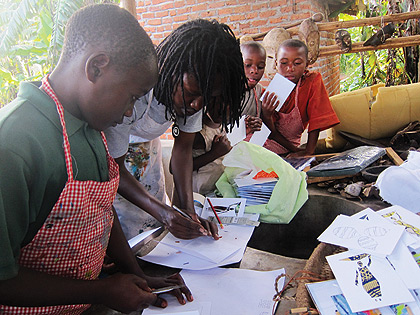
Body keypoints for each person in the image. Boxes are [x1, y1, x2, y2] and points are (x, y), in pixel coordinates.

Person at [0, 4, 192, 313]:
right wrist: (102, 289)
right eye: (131, 97)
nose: (130, 112)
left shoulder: (92, 128)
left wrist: (136, 274)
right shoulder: (15, 144)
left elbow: (101, 212)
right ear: (96, 68)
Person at [104, 19, 247, 240]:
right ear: (172, 71)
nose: (198, 105)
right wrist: (164, 213)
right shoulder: (137, 88)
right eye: (192, 93)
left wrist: (187, 210)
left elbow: (183, 150)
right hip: (111, 164)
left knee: (151, 232)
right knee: (121, 235)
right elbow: (114, 170)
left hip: (146, 156)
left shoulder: (196, 91)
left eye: (208, 97)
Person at [261, 39, 340, 156]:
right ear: (276, 64)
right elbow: (270, 133)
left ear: (306, 64)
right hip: (265, 145)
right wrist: (266, 115)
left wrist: (308, 151)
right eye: (284, 63)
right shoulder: (273, 91)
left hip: (286, 148)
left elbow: (316, 119)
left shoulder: (311, 82)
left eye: (297, 63)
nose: (290, 68)